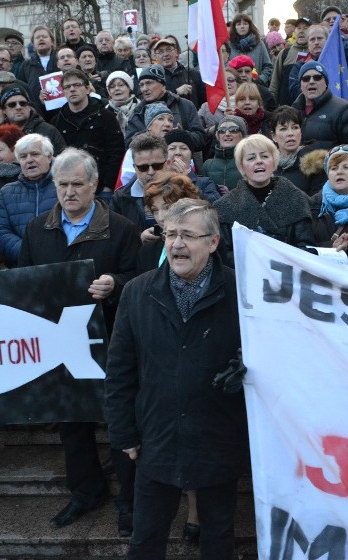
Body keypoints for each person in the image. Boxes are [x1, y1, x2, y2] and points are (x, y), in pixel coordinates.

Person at [105, 198, 248, 560]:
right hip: (157, 438)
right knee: (146, 539)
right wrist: (124, 433)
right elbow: (119, 370)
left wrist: (246, 367)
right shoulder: (137, 292)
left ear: (213, 242)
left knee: (218, 537)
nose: (177, 244)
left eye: (188, 235)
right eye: (171, 234)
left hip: (219, 437)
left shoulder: (241, 292)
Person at [17, 148, 139, 533]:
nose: (69, 192)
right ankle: (85, 493)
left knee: (120, 423)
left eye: (76, 184)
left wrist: (115, 284)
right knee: (72, 424)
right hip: (58, 342)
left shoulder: (120, 228)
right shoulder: (38, 229)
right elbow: (22, 282)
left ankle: (131, 503)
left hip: (110, 342)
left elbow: (139, 280)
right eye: (62, 184)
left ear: (94, 185)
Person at [214, 134, 314, 265]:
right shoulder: (224, 207)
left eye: (265, 156)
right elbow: (224, 255)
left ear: (274, 163)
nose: (259, 161)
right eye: (251, 158)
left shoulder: (297, 198)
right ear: (242, 166)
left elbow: (306, 247)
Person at [51, 70, 125, 199]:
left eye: (76, 85)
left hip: (101, 188)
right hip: (69, 190)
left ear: (87, 88)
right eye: (67, 87)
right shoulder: (57, 121)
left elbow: (116, 152)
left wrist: (108, 186)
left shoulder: (106, 116)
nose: (72, 89)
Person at [0, 133, 58, 267]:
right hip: (22, 268)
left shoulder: (63, 187)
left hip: (61, 264)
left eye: (35, 154)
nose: (29, 160)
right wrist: (27, 252)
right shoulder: (6, 193)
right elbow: (1, 231)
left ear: (49, 156)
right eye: (23, 156)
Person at [124, 64, 205, 150]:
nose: (144, 89)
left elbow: (201, 139)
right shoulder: (137, 112)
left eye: (149, 83)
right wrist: (152, 134)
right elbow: (129, 145)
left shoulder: (186, 106)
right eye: (141, 85)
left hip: (181, 162)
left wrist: (181, 135)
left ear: (163, 86)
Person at [291, 62, 348, 151]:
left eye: (317, 77)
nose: (311, 81)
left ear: (326, 83)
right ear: (300, 85)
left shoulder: (345, 110)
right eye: (306, 79)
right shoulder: (292, 112)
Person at [136, 172, 202, 273]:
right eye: (155, 210)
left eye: (167, 208)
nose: (161, 217)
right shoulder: (148, 251)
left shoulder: (204, 244)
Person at [113, 134, 169, 230]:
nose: (151, 172)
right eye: (143, 168)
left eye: (157, 166)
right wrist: (139, 239)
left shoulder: (185, 191)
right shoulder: (121, 198)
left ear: (168, 163)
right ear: (134, 167)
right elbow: (116, 236)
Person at [269, 105, 325, 196]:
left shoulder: (315, 163)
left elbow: (317, 203)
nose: (290, 133)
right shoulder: (267, 165)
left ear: (301, 132)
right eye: (283, 129)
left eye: (295, 127)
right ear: (273, 136)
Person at [0, 87, 66, 155]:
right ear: (4, 110)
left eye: (23, 103)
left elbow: (62, 161)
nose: (18, 107)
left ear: (29, 107)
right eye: (12, 104)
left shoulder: (49, 131)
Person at [151, 37, 206, 108]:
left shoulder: (192, 73)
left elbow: (204, 101)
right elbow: (154, 104)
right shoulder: (154, 79)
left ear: (176, 52)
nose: (165, 54)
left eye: (168, 50)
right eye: (161, 51)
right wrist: (176, 93)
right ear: (156, 56)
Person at [269, 16, 310, 107]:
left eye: (305, 28)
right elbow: (275, 82)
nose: (301, 31)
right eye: (298, 28)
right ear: (295, 31)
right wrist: (273, 107)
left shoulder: (315, 53)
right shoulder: (285, 53)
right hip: (287, 110)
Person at [199, 116, 247, 191]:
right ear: (217, 136)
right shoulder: (207, 165)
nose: (227, 134)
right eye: (222, 130)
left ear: (242, 135)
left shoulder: (249, 162)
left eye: (233, 129)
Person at [228, 13, 273, 85]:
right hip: (234, 87)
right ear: (234, 27)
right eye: (239, 24)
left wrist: (260, 79)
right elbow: (224, 65)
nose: (242, 27)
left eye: (245, 24)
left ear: (250, 26)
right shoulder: (229, 45)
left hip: (255, 86)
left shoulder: (259, 43)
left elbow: (268, 66)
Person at [16, 26, 59, 98]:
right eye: (37, 37)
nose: (41, 39)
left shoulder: (61, 59)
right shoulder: (26, 65)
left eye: (44, 36)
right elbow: (22, 89)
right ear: (33, 44)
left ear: (52, 41)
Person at [106, 71, 140, 135]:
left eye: (121, 85)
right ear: (109, 92)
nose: (116, 88)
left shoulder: (141, 107)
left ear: (129, 88)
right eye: (112, 86)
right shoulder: (105, 112)